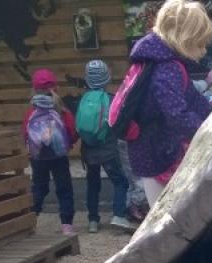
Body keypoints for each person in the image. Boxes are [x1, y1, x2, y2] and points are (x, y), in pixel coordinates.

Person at [125, 0, 212, 205]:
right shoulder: (166, 67)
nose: (202, 50)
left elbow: (193, 98)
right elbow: (176, 114)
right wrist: (208, 133)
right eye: (199, 42)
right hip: (157, 155)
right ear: (185, 38)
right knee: (165, 214)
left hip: (157, 149)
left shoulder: (163, 61)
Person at [76, 60, 132, 232]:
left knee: (93, 184)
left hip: (88, 150)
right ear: (107, 78)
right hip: (108, 150)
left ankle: (93, 220)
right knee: (120, 181)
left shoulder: (83, 99)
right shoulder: (111, 100)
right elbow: (119, 124)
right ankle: (118, 215)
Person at [23, 68, 79, 235]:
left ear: (34, 89)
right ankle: (66, 224)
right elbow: (71, 129)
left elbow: (26, 133)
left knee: (39, 187)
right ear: (55, 87)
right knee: (64, 188)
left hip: (38, 157)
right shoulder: (60, 110)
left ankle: (32, 221)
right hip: (59, 156)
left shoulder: (31, 111)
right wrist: (68, 144)